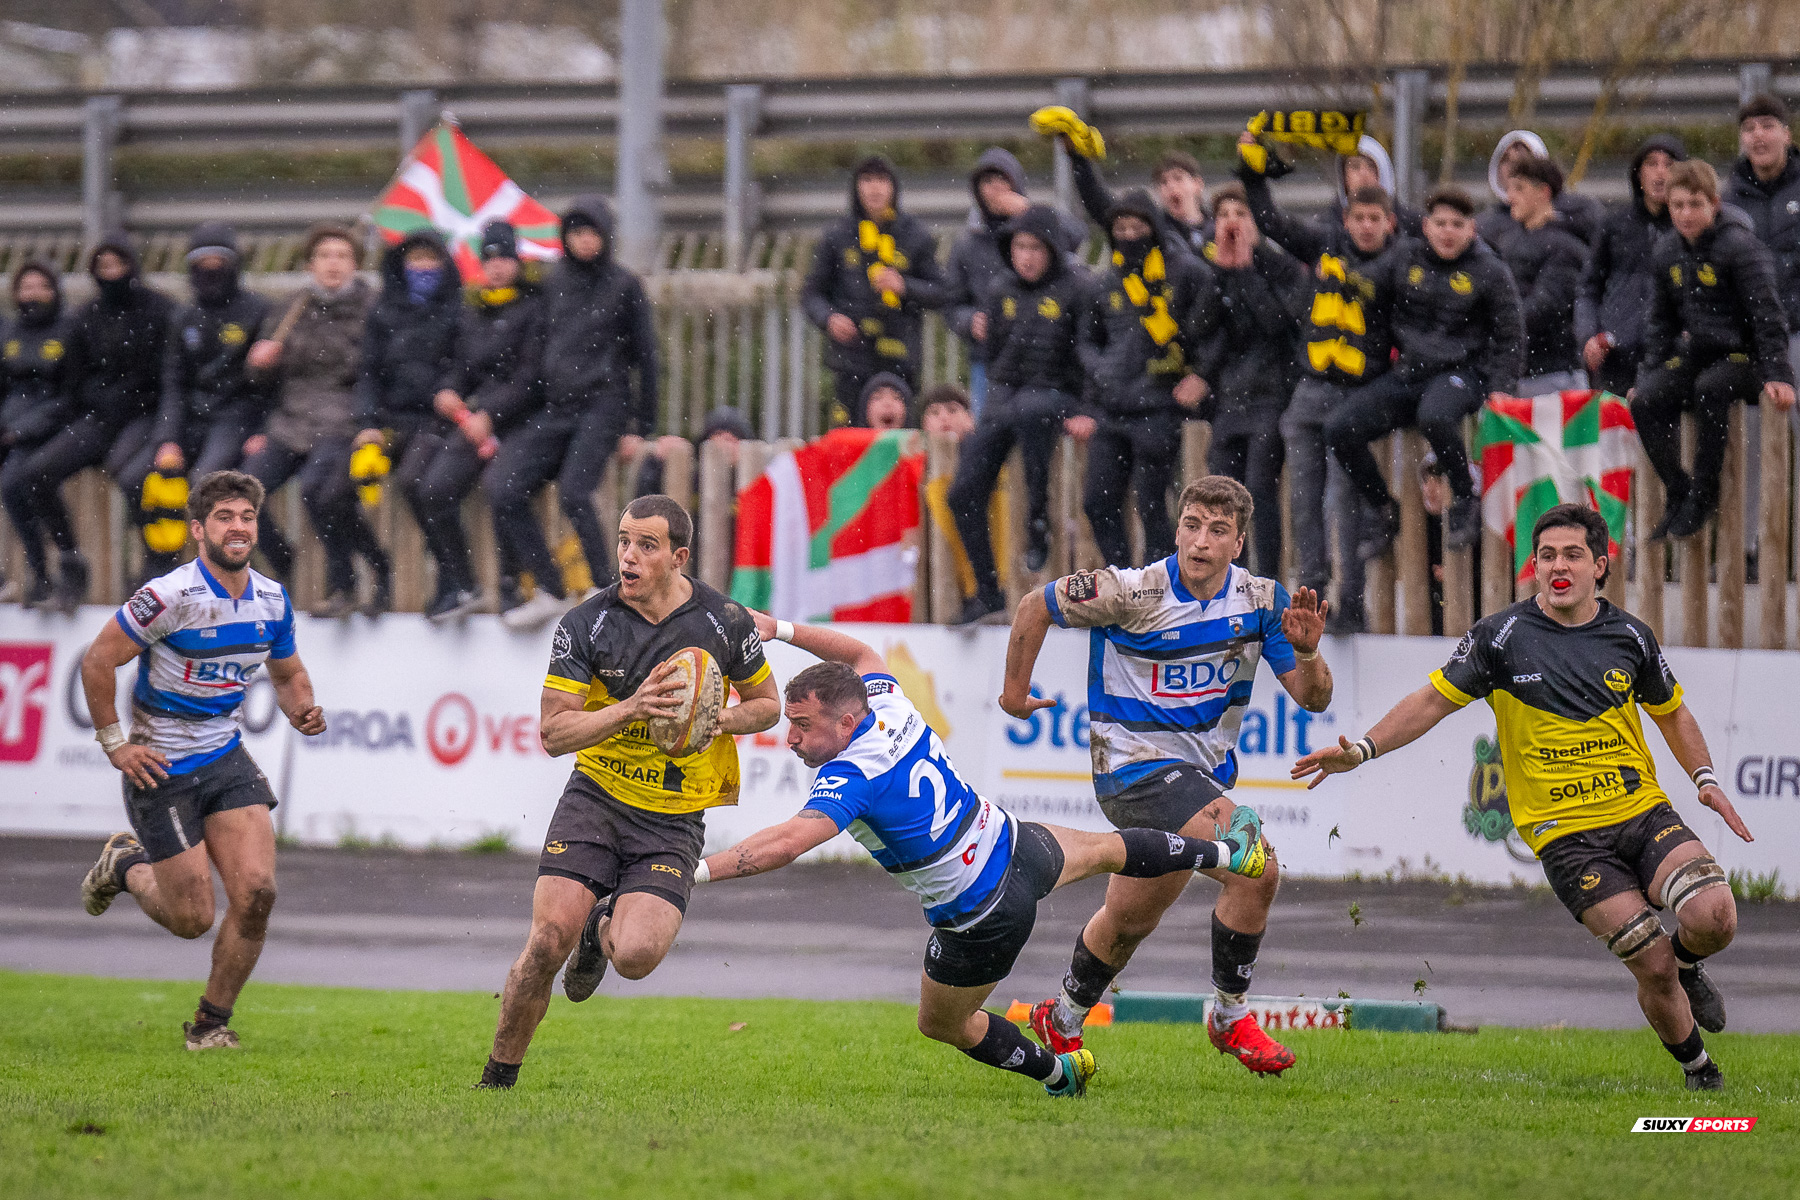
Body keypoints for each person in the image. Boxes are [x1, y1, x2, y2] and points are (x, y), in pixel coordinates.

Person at [699, 617, 1269, 1099]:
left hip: (982, 915)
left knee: (942, 1023)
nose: (790, 738)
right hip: (1015, 842)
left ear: (846, 723)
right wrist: (779, 629)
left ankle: (1058, 1074)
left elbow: (786, 843)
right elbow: (859, 652)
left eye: (801, 726)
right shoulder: (885, 703)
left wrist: (695, 870)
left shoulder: (852, 775)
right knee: (1110, 848)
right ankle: (1226, 851)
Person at [1294, 504, 1747, 1091]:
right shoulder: (1498, 637)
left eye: (1573, 555)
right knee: (1649, 961)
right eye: (1547, 556)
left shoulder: (1632, 636)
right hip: (1567, 839)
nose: (1558, 567)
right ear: (1533, 565)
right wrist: (1361, 749)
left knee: (1713, 915)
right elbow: (1431, 702)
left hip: (1641, 813)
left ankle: (1690, 965)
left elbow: (1673, 713)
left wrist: (1705, 780)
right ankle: (1701, 1073)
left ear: (1600, 566)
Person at [1002, 476, 1334, 1077]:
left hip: (1195, 775)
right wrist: (1012, 694)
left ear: (1239, 542)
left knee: (1129, 919)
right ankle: (1230, 1017)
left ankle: (1065, 1016)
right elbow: (1034, 605)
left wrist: (1308, 654)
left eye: (1217, 530)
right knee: (1257, 868)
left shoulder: (1260, 601)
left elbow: (1312, 699)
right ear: (1176, 527)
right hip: (1130, 770)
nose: (1200, 542)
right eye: (1191, 525)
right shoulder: (1131, 591)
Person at [478, 495, 782, 1090]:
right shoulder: (586, 624)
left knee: (637, 956)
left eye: (646, 545)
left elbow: (768, 706)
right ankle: (497, 1081)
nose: (629, 556)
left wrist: (713, 717)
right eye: (623, 542)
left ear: (678, 556)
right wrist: (632, 708)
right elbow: (554, 733)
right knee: (544, 944)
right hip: (596, 800)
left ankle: (602, 926)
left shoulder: (725, 622)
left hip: (673, 816)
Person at [77, 470, 326, 1051]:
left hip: (224, 754)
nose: (238, 528)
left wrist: (303, 709)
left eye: (246, 518)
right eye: (224, 518)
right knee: (192, 919)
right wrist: (116, 744)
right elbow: (97, 661)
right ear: (198, 530)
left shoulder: (271, 597)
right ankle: (124, 867)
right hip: (159, 767)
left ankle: (210, 1025)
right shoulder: (168, 597)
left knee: (258, 893)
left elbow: (288, 674)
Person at [1237, 137, 1402, 634]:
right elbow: (1268, 221)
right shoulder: (1325, 244)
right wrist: (1252, 172)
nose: (1366, 226)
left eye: (1376, 218)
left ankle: (1351, 601)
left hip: (1357, 393)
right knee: (1304, 501)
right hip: (1309, 391)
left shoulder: (1401, 264)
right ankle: (1312, 593)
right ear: (1346, 220)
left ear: (1390, 222)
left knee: (1342, 501)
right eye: (1359, 218)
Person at [1327, 185, 1524, 556]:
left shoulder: (1490, 270)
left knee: (1434, 416)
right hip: (1409, 372)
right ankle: (1383, 507)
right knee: (1340, 428)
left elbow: (1511, 334)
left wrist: (1502, 386)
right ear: (1427, 227)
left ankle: (1466, 497)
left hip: (1462, 373)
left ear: (1471, 230)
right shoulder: (1405, 257)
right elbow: (1368, 294)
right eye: (1440, 223)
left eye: (1457, 224)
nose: (1448, 232)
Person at [9, 236, 173, 610]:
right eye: (104, 267)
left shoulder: (161, 311)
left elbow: (170, 377)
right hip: (98, 418)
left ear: (132, 266)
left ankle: (153, 563)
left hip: (145, 415)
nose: (111, 273)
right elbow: (73, 383)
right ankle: (71, 562)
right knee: (37, 474)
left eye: (118, 265)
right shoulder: (85, 317)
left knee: (130, 475)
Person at [1633, 160, 1794, 540]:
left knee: (1711, 388)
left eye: (1695, 204)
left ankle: (1705, 495)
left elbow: (1768, 315)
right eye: (1677, 206)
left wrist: (1777, 374)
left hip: (1744, 357)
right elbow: (1660, 323)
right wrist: (1650, 372)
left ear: (1714, 204)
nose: (1686, 214)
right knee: (1644, 401)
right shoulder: (1667, 251)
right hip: (1700, 353)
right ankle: (1680, 490)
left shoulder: (1740, 247)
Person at [948, 204, 1094, 623]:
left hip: (1057, 396)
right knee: (962, 493)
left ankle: (1038, 521)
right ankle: (988, 593)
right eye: (1018, 246)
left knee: (1033, 408)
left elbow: (1089, 357)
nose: (1025, 256)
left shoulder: (1078, 289)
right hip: (1009, 400)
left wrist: (1085, 408)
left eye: (1034, 247)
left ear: (1051, 249)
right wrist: (992, 412)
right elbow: (995, 362)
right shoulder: (1000, 291)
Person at [241, 223, 388, 618]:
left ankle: (347, 579)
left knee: (318, 493)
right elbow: (258, 382)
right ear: (310, 264)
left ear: (356, 264)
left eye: (342, 256)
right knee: (241, 495)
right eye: (324, 256)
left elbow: (380, 373)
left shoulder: (374, 308)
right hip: (289, 422)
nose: (333, 264)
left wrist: (370, 424)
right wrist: (259, 364)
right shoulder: (291, 308)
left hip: (344, 420)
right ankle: (284, 561)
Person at [120, 222, 273, 581]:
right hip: (191, 418)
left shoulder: (258, 311)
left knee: (206, 483)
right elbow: (174, 383)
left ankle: (229, 571)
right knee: (134, 478)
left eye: (219, 259)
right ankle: (160, 559)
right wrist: (167, 439)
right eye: (202, 260)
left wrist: (263, 429)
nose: (210, 267)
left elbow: (268, 388)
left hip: (235, 418)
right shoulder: (183, 316)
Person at [1079, 190, 1220, 570]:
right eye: (1120, 228)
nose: (1129, 235)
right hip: (1113, 408)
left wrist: (1201, 375)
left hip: (1161, 407)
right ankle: (1123, 578)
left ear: (1154, 228)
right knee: (1097, 501)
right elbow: (1086, 342)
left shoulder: (1187, 272)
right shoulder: (1104, 283)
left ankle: (1157, 586)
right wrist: (1102, 370)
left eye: (1137, 226)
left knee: (1153, 502)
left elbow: (1214, 330)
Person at [534, 195, 661, 593]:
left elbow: (646, 357)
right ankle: (543, 585)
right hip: (557, 408)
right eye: (577, 232)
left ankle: (604, 584)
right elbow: (539, 350)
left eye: (592, 232)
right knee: (505, 484)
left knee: (574, 492)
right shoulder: (553, 284)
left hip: (604, 405)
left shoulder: (624, 285)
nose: (585, 241)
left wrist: (643, 425)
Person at [424, 221, 546, 624]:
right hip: (473, 422)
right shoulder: (472, 311)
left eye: (503, 258)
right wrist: (447, 391)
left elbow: (531, 379)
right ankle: (462, 582)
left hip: (520, 422)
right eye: (489, 259)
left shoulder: (534, 308)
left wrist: (491, 416)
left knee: (503, 490)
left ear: (517, 262)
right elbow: (461, 367)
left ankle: (513, 584)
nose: (496, 267)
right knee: (435, 490)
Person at [354, 229, 467, 619]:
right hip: (388, 421)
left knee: (416, 482)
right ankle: (374, 575)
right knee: (333, 486)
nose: (423, 268)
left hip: (435, 421)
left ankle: (453, 576)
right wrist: (367, 422)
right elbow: (368, 373)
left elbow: (465, 364)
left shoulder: (458, 310)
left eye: (431, 259)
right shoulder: (383, 311)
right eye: (415, 259)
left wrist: (449, 389)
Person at [1201, 181, 1310, 578]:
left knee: (1259, 492)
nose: (1231, 223)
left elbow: (1277, 324)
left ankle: (1265, 579)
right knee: (1221, 497)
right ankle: (1228, 580)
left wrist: (1246, 268)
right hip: (1229, 400)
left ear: (1257, 221)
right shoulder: (1213, 268)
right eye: (1224, 215)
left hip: (1270, 397)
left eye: (1241, 214)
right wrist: (1220, 272)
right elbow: (1199, 327)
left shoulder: (1280, 266)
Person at [801, 156, 948, 425]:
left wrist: (904, 286)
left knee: (897, 440)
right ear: (856, 188)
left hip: (900, 358)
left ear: (894, 187)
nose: (874, 189)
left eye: (882, 180)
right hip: (851, 358)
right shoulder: (838, 235)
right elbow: (811, 293)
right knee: (849, 438)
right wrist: (829, 318)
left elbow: (942, 292)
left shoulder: (915, 235)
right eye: (867, 180)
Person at [944, 147, 1085, 416]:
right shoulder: (967, 243)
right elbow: (951, 302)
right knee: (992, 429)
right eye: (987, 182)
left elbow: (1076, 236)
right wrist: (969, 320)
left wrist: (1026, 210)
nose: (995, 189)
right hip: (990, 359)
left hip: (1046, 357)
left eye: (1002, 180)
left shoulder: (1038, 227)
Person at [1578, 135, 1687, 396]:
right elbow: (1589, 288)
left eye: (1669, 164)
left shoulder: (1688, 228)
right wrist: (1588, 335)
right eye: (1652, 164)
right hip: (1615, 354)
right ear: (1638, 173)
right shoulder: (1614, 224)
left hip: (1670, 355)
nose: (1660, 173)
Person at [0, 262, 74, 608]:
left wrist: (24, 429)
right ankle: (33, 574)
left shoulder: (69, 330)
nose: (32, 295)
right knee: (12, 486)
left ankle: (61, 568)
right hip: (13, 430)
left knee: (23, 480)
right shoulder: (10, 333)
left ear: (55, 290)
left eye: (40, 287)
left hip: (55, 428)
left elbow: (71, 394)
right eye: (25, 288)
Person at [1490, 155, 1590, 396]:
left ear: (1543, 192)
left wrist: (1498, 327)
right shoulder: (1507, 242)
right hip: (1515, 373)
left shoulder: (1566, 247)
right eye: (1509, 189)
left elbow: (1544, 308)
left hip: (1553, 375)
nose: (1510, 197)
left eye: (1519, 188)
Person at [1070, 145, 1210, 259]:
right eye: (1163, 182)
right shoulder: (1155, 228)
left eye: (1178, 178)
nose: (1171, 186)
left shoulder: (1219, 225)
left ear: (1197, 184)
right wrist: (1078, 157)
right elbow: (1102, 206)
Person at [1479, 130, 1603, 248]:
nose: (1514, 164)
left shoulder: (1580, 211)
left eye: (1523, 155)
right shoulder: (1486, 225)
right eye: (1506, 159)